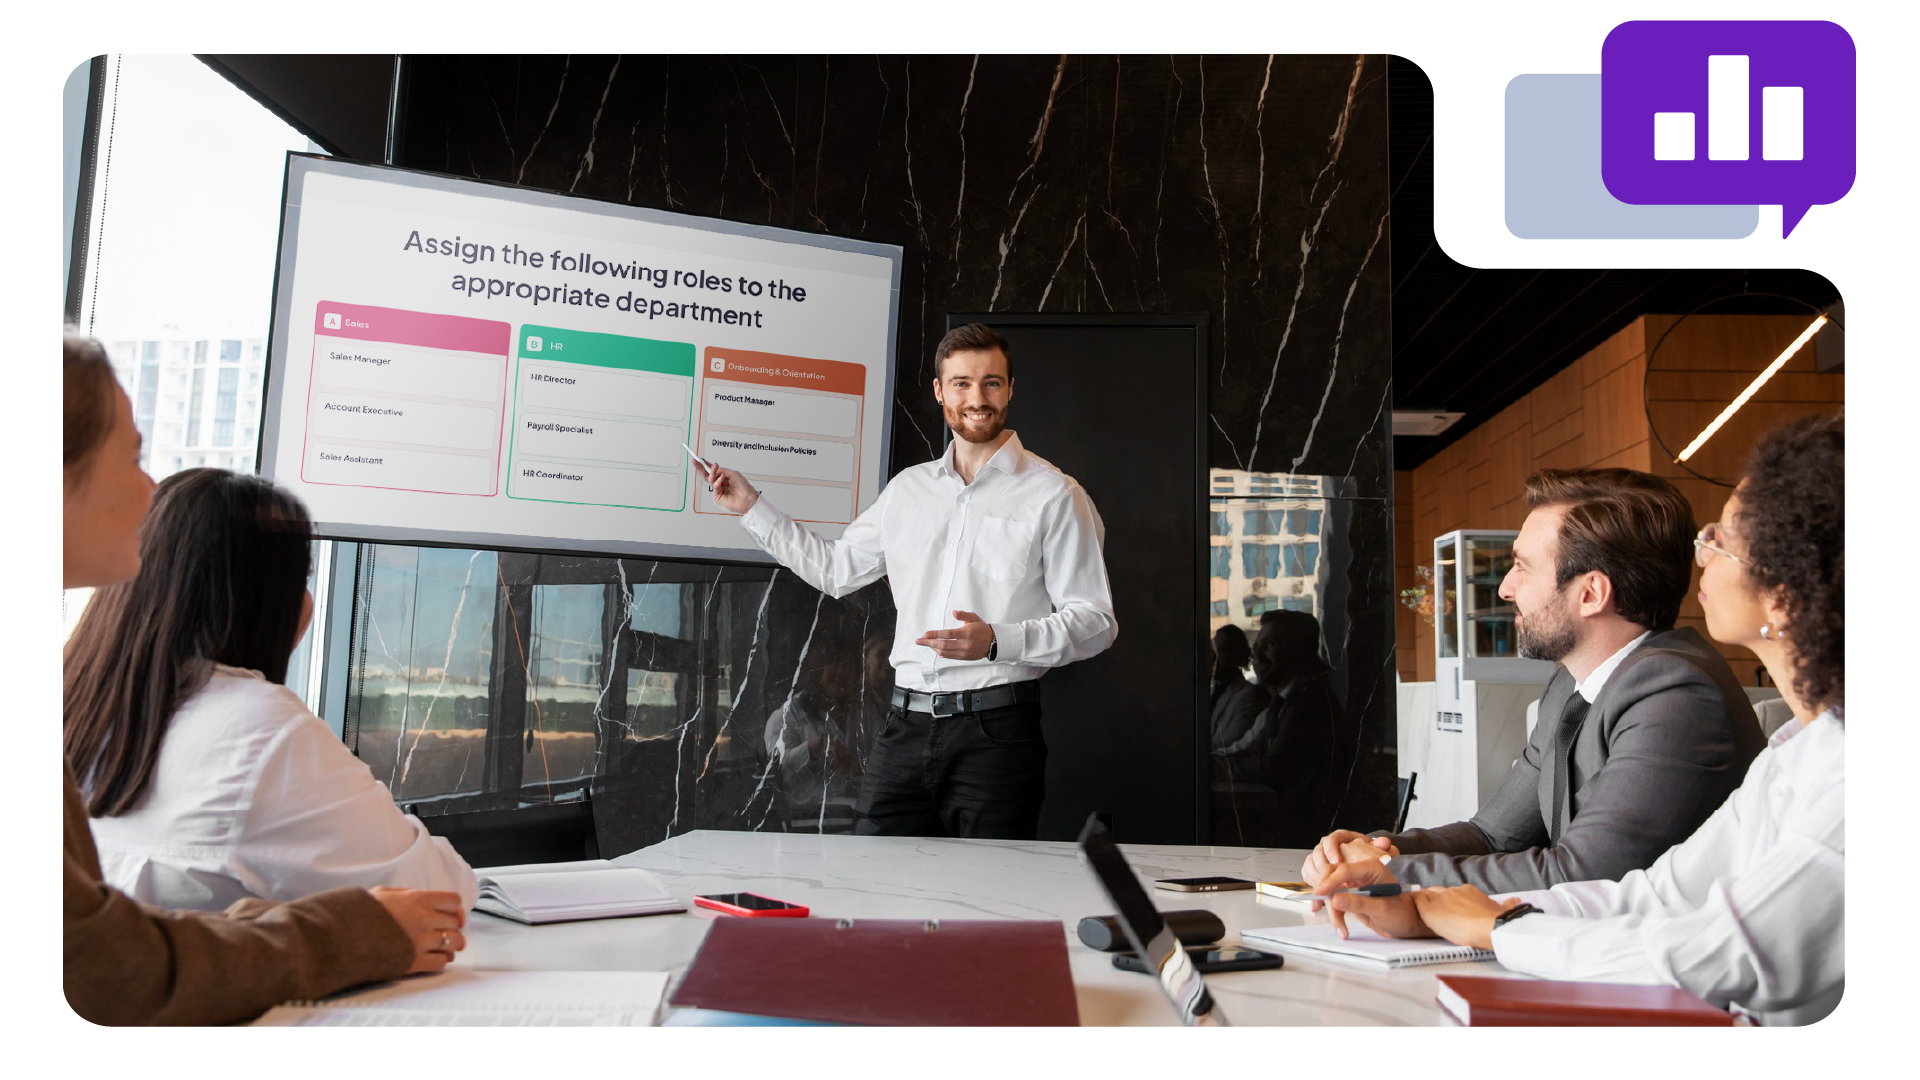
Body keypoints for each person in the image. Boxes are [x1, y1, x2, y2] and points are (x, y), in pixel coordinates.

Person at [1316, 415, 1854, 1017]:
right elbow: (1648, 893)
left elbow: (1718, 954)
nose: (1701, 556)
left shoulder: (1684, 692)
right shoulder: (1795, 751)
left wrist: (1482, 920)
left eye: (1720, 539)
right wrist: (1398, 871)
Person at [62, 330, 465, 1026]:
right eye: (130, 454)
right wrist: (339, 930)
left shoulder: (91, 700)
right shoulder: (253, 725)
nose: (148, 486)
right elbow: (436, 897)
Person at [704, 323, 1116, 839]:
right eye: (962, 383)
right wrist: (751, 508)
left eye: (991, 382)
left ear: (1011, 389)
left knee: (987, 901)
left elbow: (1096, 622)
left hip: (997, 732)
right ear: (941, 391)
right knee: (876, 884)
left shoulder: (1056, 495)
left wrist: (999, 641)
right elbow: (836, 571)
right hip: (903, 725)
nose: (977, 397)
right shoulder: (907, 491)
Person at [1306, 468, 1764, 892]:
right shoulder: (1571, 686)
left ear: (1590, 594)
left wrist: (1389, 871)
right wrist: (1378, 848)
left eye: (1522, 566)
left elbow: (1583, 874)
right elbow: (1490, 834)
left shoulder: (1675, 692)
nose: (1505, 587)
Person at [67, 469, 478, 912]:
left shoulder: (83, 703)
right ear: (265, 597)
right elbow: (439, 888)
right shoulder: (258, 728)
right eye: (302, 577)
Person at [1207, 624, 1268, 755]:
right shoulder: (1214, 691)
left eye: (1221, 651)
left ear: (1239, 656)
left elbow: (1230, 744)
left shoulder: (1250, 695)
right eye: (1213, 650)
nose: (1213, 657)